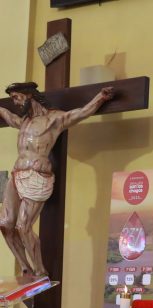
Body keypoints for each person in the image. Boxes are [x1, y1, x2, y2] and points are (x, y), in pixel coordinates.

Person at [0, 82, 114, 276]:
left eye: (17, 97)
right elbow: (6, 114)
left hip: (36, 176)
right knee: (4, 224)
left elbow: (81, 112)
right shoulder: (23, 122)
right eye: (13, 99)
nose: (16, 103)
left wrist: (100, 97)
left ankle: (40, 270)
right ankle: (25, 266)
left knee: (23, 226)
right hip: (16, 175)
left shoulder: (54, 119)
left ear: (30, 96)